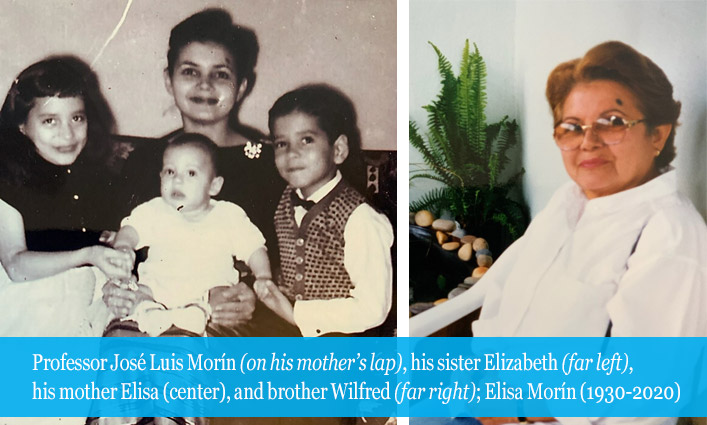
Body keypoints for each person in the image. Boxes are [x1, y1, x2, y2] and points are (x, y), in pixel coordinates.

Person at [410, 40, 705, 425]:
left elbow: (643, 401)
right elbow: (494, 291)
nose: (588, 141)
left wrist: (514, 414)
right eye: (572, 127)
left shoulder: (671, 237)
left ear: (658, 135)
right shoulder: (570, 201)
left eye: (612, 122)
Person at [106, 8, 284, 335]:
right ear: (168, 79)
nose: (205, 85)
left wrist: (253, 296)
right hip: (155, 315)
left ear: (241, 86)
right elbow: (120, 245)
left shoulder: (270, 164)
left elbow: (284, 257)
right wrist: (116, 288)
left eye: (220, 74)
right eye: (190, 71)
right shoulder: (143, 161)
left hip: (240, 323)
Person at [0, 56, 132, 339]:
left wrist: (113, 243)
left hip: (87, 301)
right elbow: (15, 265)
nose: (68, 134)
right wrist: (88, 254)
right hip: (31, 305)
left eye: (77, 118)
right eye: (50, 121)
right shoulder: (9, 182)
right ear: (21, 126)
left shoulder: (98, 178)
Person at [255, 84, 394, 337]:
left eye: (306, 140)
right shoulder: (283, 201)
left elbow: (374, 309)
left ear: (338, 150)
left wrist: (296, 314)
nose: (292, 153)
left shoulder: (361, 219)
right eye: (281, 144)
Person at [106, 133, 273, 337]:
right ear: (160, 177)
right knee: (135, 296)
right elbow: (131, 229)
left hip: (207, 295)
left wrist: (263, 276)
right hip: (157, 293)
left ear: (214, 185)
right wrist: (124, 246)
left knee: (221, 302)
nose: (177, 179)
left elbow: (253, 247)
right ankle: (149, 316)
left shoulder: (228, 215)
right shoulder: (154, 210)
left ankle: (191, 321)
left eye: (191, 173)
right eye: (170, 171)